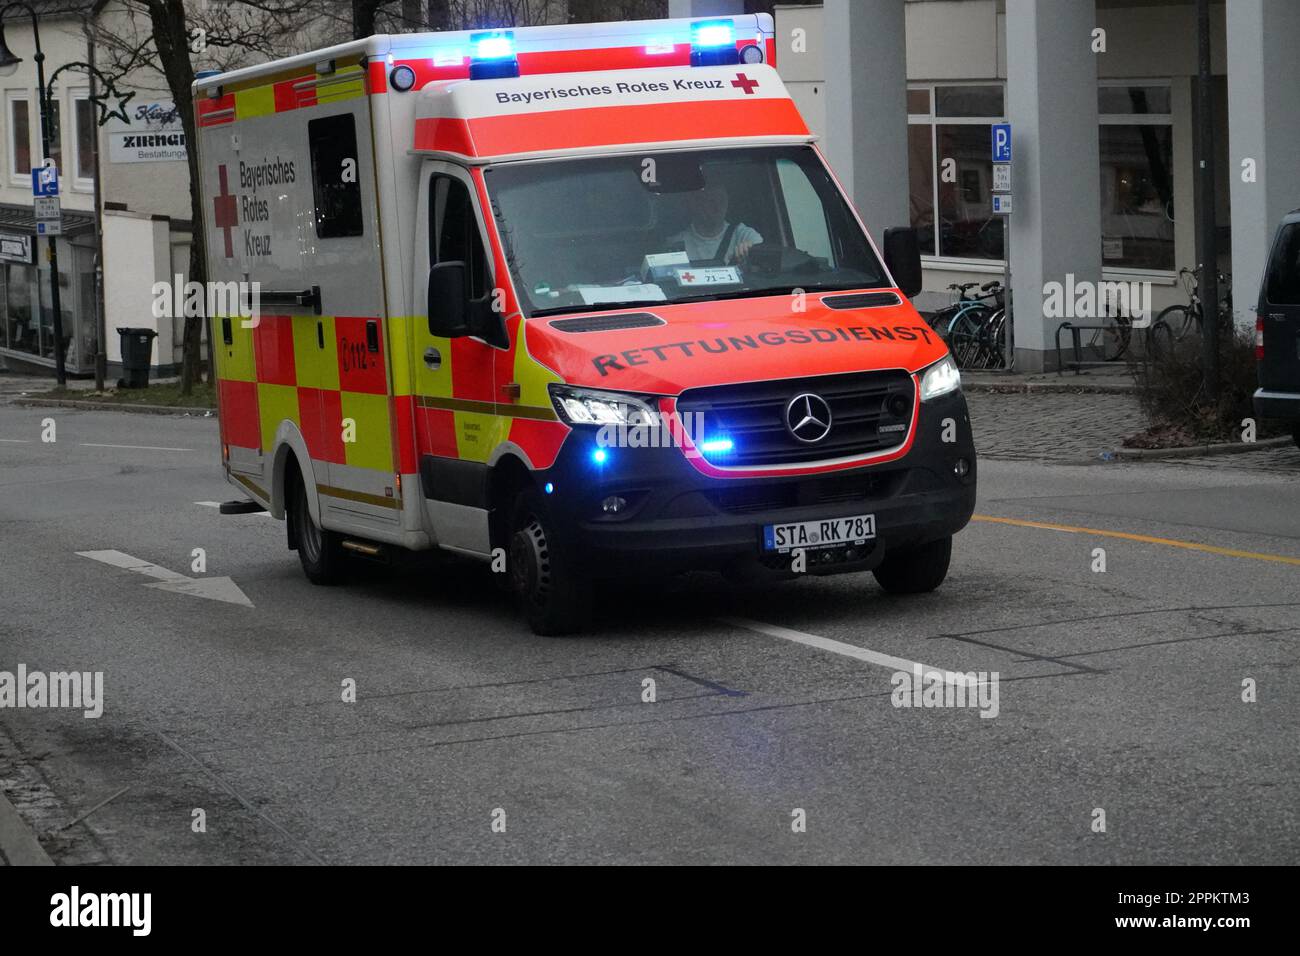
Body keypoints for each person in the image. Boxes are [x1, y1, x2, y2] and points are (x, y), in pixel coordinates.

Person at [667, 183, 762, 264]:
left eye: (722, 200)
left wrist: (749, 253)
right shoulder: (677, 243)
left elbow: (761, 255)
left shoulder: (743, 235)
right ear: (695, 205)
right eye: (711, 201)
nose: (718, 207)